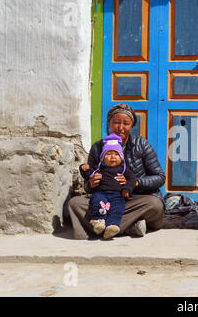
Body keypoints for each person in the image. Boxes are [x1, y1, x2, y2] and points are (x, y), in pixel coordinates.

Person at [68, 103, 166, 240]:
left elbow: (160, 177)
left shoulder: (142, 145)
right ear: (109, 123)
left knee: (155, 205)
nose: (120, 127)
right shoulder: (98, 147)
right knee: (75, 203)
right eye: (116, 122)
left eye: (126, 123)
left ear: (132, 126)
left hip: (133, 199)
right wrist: (91, 183)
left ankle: (104, 227)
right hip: (104, 198)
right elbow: (88, 185)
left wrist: (136, 183)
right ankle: (129, 227)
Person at [80, 133, 137, 239]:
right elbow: (89, 175)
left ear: (121, 157)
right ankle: (98, 222)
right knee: (96, 201)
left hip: (118, 195)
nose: (112, 157)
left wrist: (126, 189)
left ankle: (112, 227)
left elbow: (133, 179)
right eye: (108, 154)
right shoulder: (99, 167)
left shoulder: (124, 169)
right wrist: (84, 168)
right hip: (101, 193)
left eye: (116, 154)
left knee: (117, 209)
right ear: (102, 158)